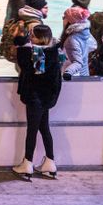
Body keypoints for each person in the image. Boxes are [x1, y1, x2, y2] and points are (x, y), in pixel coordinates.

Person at [11, 24, 62, 181]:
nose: (30, 38)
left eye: (32, 36)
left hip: (36, 98)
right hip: (46, 98)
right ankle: (50, 163)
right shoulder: (55, 52)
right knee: (44, 128)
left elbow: (23, 60)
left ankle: (27, 164)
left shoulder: (37, 54)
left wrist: (19, 38)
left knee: (32, 131)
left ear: (40, 39)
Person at [61, 5, 93, 79]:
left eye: (64, 17)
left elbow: (78, 62)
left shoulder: (72, 39)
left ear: (70, 21)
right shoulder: (85, 33)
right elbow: (93, 46)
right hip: (84, 74)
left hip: (75, 77)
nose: (63, 19)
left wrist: (68, 72)